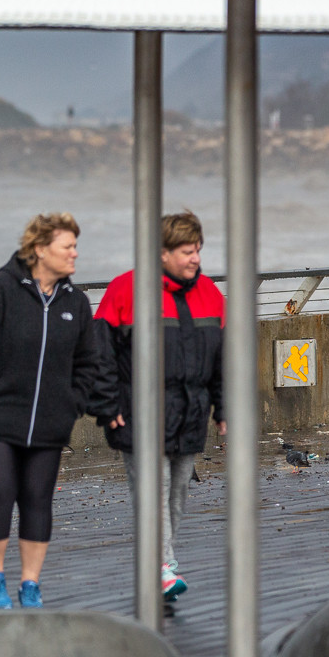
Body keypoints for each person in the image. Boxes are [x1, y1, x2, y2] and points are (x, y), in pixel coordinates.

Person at [0, 212, 113, 609]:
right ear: (40, 250)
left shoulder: (75, 302)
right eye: (67, 246)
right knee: (0, 492)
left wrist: (71, 402)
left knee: (38, 499)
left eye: (75, 246)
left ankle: (31, 584)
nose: (75, 254)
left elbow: (89, 361)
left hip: (49, 423)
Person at [93, 210, 226, 602]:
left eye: (198, 250)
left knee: (177, 493)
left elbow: (223, 360)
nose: (195, 259)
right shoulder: (124, 290)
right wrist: (107, 404)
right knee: (154, 490)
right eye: (187, 251)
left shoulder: (211, 295)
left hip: (189, 413)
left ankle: (160, 564)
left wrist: (225, 410)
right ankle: (162, 567)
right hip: (138, 410)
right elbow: (99, 356)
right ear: (163, 253)